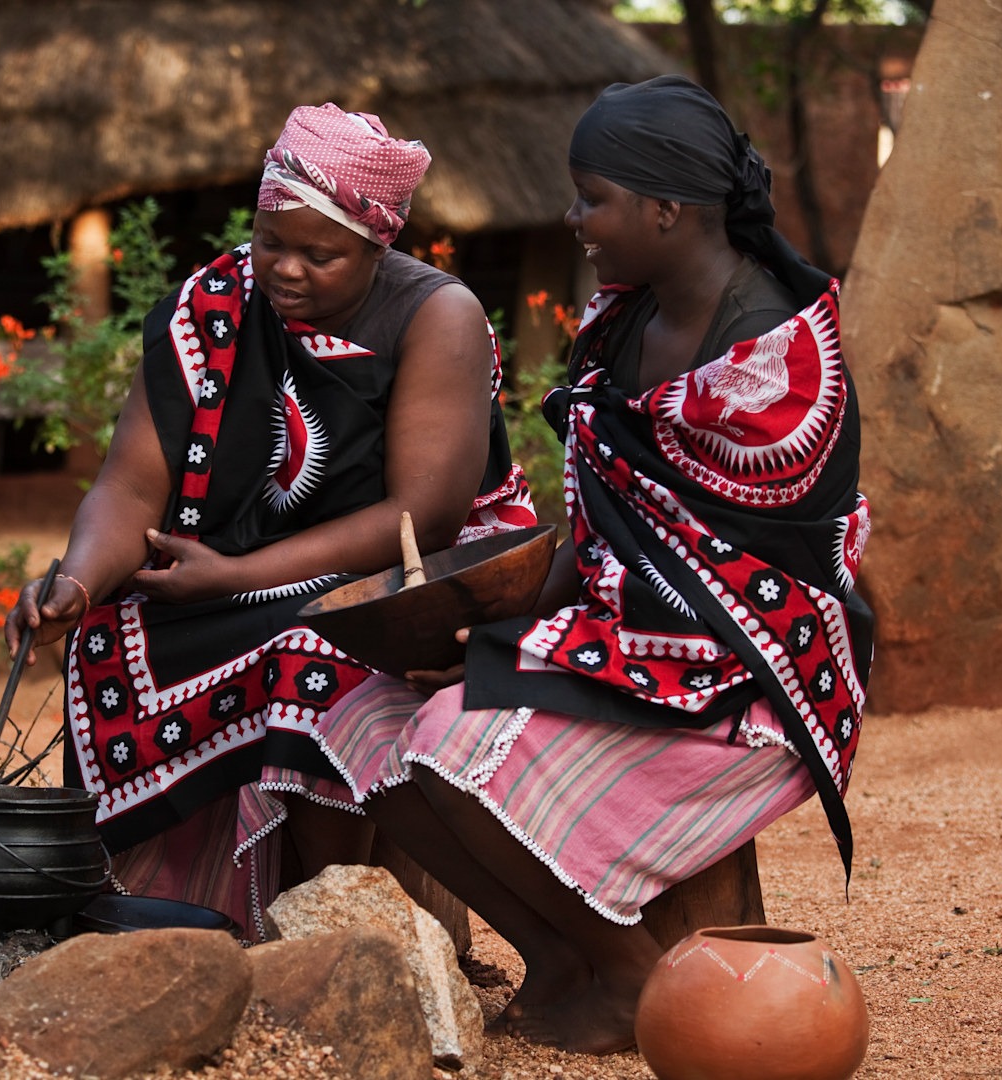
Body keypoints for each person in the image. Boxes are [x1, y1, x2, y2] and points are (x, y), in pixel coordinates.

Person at [318, 75, 873, 1054]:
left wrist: (524, 653)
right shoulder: (622, 323)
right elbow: (605, 531)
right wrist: (500, 640)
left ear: (667, 208)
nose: (574, 217)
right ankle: (563, 957)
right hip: (632, 642)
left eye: (593, 196)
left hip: (753, 673)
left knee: (454, 740)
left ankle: (627, 976)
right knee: (363, 712)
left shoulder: (778, 353)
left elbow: (732, 585)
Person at [5, 104, 535, 939]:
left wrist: (235, 575)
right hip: (241, 568)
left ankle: (325, 919)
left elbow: (422, 515)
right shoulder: (214, 305)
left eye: (319, 255)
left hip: (400, 577)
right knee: (110, 636)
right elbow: (131, 488)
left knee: (317, 654)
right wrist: (72, 580)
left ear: (376, 244)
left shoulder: (437, 315)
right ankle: (155, 898)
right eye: (269, 242)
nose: (284, 270)